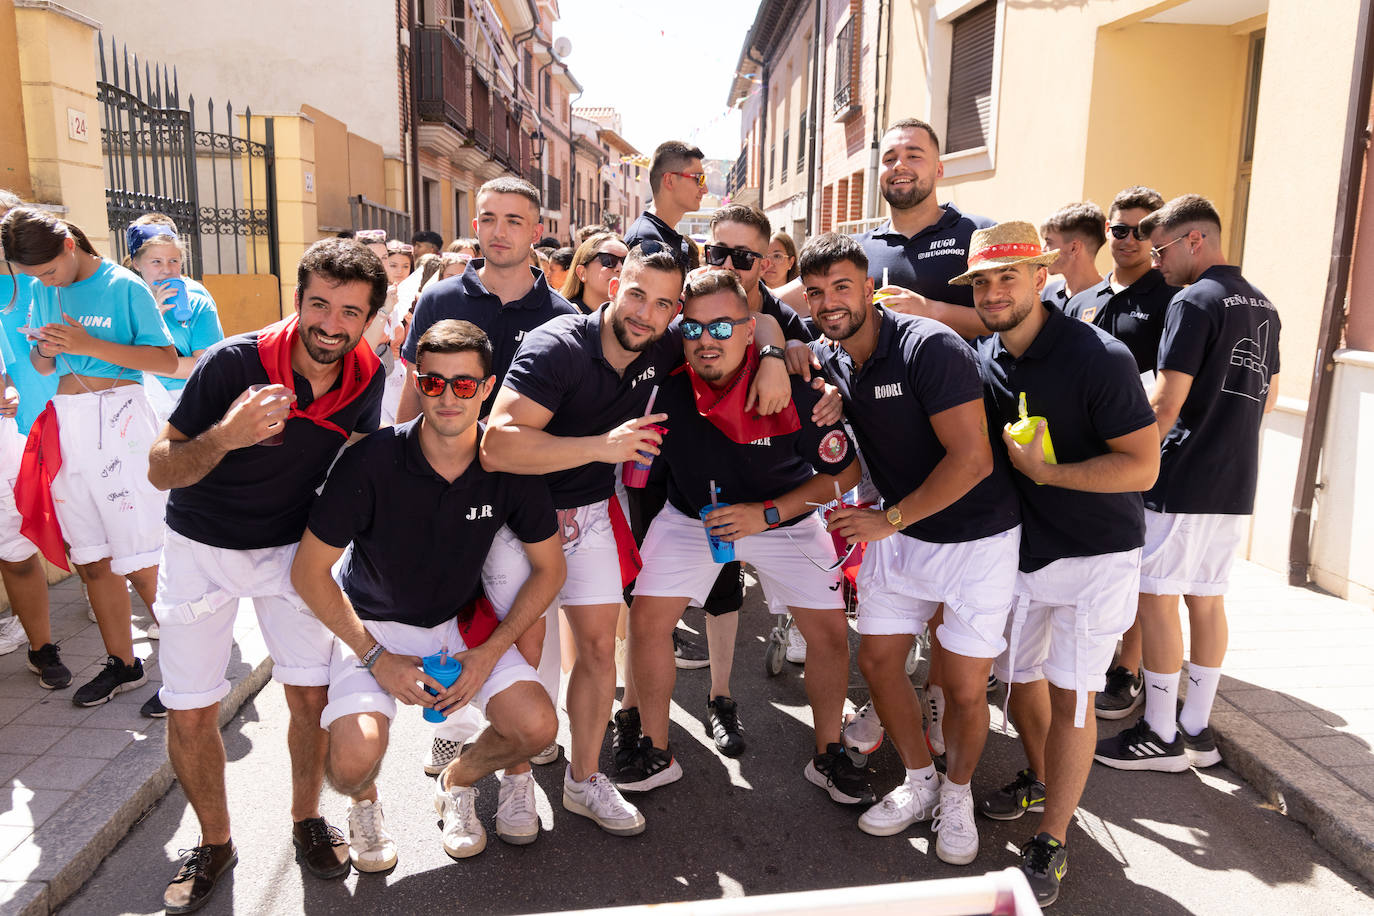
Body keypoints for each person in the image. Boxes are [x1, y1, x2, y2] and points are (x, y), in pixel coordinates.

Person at [481, 243, 795, 836]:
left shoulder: (663, 341)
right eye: (635, 293)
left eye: (662, 305)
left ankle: (584, 778)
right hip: (520, 520)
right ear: (612, 284)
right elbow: (497, 445)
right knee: (524, 658)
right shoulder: (557, 346)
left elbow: (756, 315)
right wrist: (602, 447)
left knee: (601, 652)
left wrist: (778, 353)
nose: (645, 313)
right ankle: (516, 783)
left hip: (592, 515)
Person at [146, 238, 387, 913]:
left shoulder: (366, 377)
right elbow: (160, 469)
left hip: (290, 553)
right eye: (318, 305)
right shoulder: (233, 364)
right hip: (200, 547)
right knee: (190, 707)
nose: (330, 325)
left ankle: (307, 818)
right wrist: (225, 436)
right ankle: (216, 842)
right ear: (298, 300)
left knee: (308, 699)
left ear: (368, 319)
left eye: (349, 312)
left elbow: (361, 466)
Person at [292, 319, 564, 867]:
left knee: (537, 728)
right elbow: (308, 572)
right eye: (434, 382)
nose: (447, 396)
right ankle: (365, 804)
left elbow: (550, 569)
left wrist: (489, 654)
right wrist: (376, 656)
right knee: (350, 763)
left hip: (458, 625)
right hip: (373, 626)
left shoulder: (505, 464)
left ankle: (457, 779)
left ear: (487, 388)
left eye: (464, 384)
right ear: (416, 379)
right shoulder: (370, 460)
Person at [800, 233, 1020, 865]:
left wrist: (889, 520)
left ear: (870, 288)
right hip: (902, 535)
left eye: (843, 286)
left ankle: (956, 793)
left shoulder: (930, 346)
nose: (829, 302)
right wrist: (774, 351)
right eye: (816, 293)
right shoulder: (833, 355)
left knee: (965, 687)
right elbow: (781, 337)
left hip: (977, 539)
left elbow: (974, 460)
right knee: (877, 665)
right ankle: (920, 779)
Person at [960, 221, 1159, 907]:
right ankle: (1042, 777)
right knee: (1021, 679)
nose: (993, 292)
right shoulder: (986, 355)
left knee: (1074, 693)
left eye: (1006, 277)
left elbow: (1143, 464)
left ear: (1041, 276)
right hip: (1022, 553)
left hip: (1097, 555)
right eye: (981, 281)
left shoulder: (1098, 356)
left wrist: (1051, 474)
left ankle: (1054, 836)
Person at [619, 269, 867, 803]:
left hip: (786, 519)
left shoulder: (796, 386)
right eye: (694, 328)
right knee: (647, 619)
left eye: (723, 328)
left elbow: (844, 475)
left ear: (750, 329)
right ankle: (656, 750)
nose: (707, 340)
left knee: (827, 634)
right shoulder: (667, 373)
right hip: (691, 517)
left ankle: (828, 754)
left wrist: (767, 515)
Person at [1094, 194, 1280, 774]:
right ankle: (1196, 729)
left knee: (1155, 597)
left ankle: (1159, 732)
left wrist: (1127, 459)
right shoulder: (1264, 304)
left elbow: (1166, 402)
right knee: (1206, 597)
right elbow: (1269, 396)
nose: (1157, 262)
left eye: (1163, 248)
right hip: (1234, 476)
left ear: (1194, 239)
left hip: (1181, 476)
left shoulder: (1194, 299)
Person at [1, 207, 176, 710]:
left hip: (121, 420)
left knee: (143, 558)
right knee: (93, 558)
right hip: (69, 421)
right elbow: (40, 362)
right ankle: (124, 663)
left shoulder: (123, 286)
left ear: (69, 247)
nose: (43, 281)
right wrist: (47, 351)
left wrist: (88, 343)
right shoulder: (41, 290)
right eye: (34, 276)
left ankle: (187, 668)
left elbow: (165, 360)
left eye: (48, 270)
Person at [1064, 187, 1177, 720]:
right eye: (1119, 229)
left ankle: (1126, 668)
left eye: (1141, 230)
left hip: (1136, 455)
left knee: (1131, 566)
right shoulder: (1084, 299)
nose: (1129, 239)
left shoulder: (1169, 299)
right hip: (1078, 454)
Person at [777, 119, 995, 340]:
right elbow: (774, 304)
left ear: (939, 169)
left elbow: (1015, 318)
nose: (899, 165)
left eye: (913, 156)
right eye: (889, 159)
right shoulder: (855, 248)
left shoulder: (980, 233)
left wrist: (930, 311)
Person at [397, 177, 577, 424]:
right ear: (476, 226)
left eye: (513, 221)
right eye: (488, 219)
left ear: (536, 232)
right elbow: (413, 390)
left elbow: (567, 409)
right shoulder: (438, 299)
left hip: (522, 460)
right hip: (439, 459)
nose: (499, 232)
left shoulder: (563, 317)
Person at [0, 190, 61, 676]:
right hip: (12, 429)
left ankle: (97, 602)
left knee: (70, 529)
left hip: (51, 419)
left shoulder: (47, 280)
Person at [126, 223, 224, 411]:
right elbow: (119, 358)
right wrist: (155, 316)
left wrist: (143, 364)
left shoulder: (198, 305)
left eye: (174, 261)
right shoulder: (125, 304)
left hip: (190, 403)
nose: (167, 270)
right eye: (156, 262)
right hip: (139, 406)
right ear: (137, 264)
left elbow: (204, 364)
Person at [623, 141, 706, 265]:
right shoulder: (646, 240)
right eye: (699, 179)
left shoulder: (661, 235)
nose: (705, 189)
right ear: (669, 181)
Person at [1038, 203, 1105, 308]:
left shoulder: (1107, 301)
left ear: (1074, 248)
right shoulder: (1048, 293)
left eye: (1049, 242)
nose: (1043, 250)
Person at [561, 232, 629, 313]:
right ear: (582, 273)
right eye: (608, 260)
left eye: (626, 262)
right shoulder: (564, 316)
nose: (620, 268)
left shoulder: (635, 317)